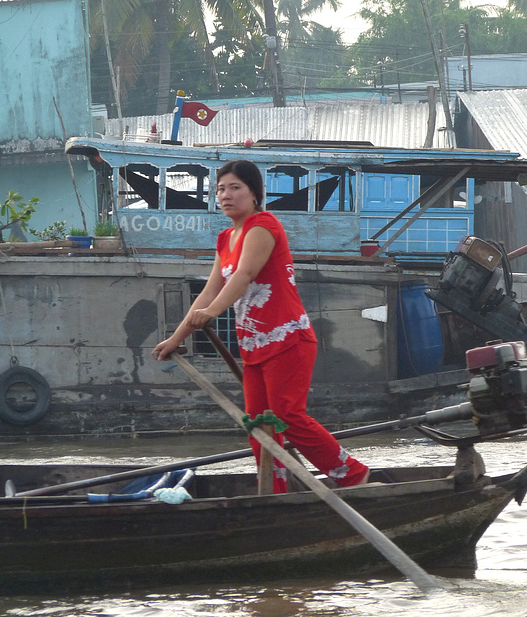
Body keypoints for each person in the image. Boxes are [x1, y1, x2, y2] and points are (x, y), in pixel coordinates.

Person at [152, 159, 369, 493]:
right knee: (258, 424)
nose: (226, 195)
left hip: (287, 339)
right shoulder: (225, 239)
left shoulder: (263, 225)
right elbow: (210, 289)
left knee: (289, 417)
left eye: (235, 187)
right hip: (253, 347)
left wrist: (211, 312)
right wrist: (176, 337)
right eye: (220, 189)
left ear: (254, 194)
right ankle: (274, 491)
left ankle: (353, 476)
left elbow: (245, 274)